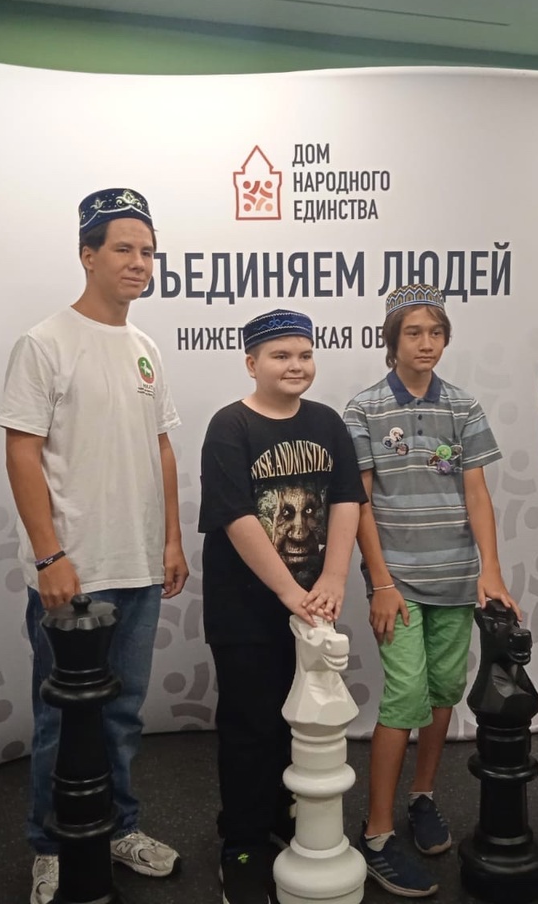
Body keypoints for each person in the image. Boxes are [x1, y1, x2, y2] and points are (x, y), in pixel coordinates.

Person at [0, 188, 187, 904]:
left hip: (138, 564)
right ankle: (52, 844)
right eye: (123, 249)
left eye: (148, 251)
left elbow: (161, 449)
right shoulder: (44, 343)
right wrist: (49, 556)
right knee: (61, 717)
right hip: (73, 571)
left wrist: (170, 540)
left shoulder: (145, 349)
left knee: (123, 711)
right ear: (87, 254)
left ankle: (116, 829)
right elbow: (22, 451)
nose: (139, 262)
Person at [343, 284, 520, 898]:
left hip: (456, 577)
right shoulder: (363, 410)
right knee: (404, 695)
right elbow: (359, 503)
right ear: (391, 340)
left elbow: (476, 493)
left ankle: (422, 797)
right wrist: (380, 582)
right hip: (397, 582)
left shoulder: (463, 406)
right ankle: (377, 833)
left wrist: (490, 571)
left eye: (436, 332)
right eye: (413, 332)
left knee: (444, 691)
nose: (426, 343)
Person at [198, 308, 366, 904]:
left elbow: (346, 498)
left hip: (313, 603)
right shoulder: (230, 426)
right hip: (246, 606)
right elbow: (238, 518)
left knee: (301, 721)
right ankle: (242, 845)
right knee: (251, 724)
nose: (295, 365)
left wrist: (334, 577)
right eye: (280, 356)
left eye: (304, 354)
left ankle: (280, 814)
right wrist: (289, 592)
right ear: (252, 363)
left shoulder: (327, 422)